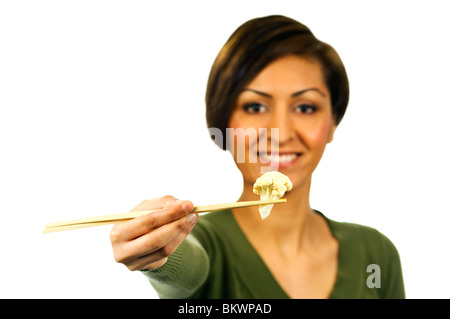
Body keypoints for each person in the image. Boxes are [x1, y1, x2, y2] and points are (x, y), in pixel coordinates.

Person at [109, 15, 405, 299]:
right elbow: (188, 269)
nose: (280, 132)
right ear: (224, 123)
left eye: (305, 108)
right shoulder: (206, 244)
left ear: (332, 124)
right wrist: (158, 255)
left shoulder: (375, 256)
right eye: (255, 107)